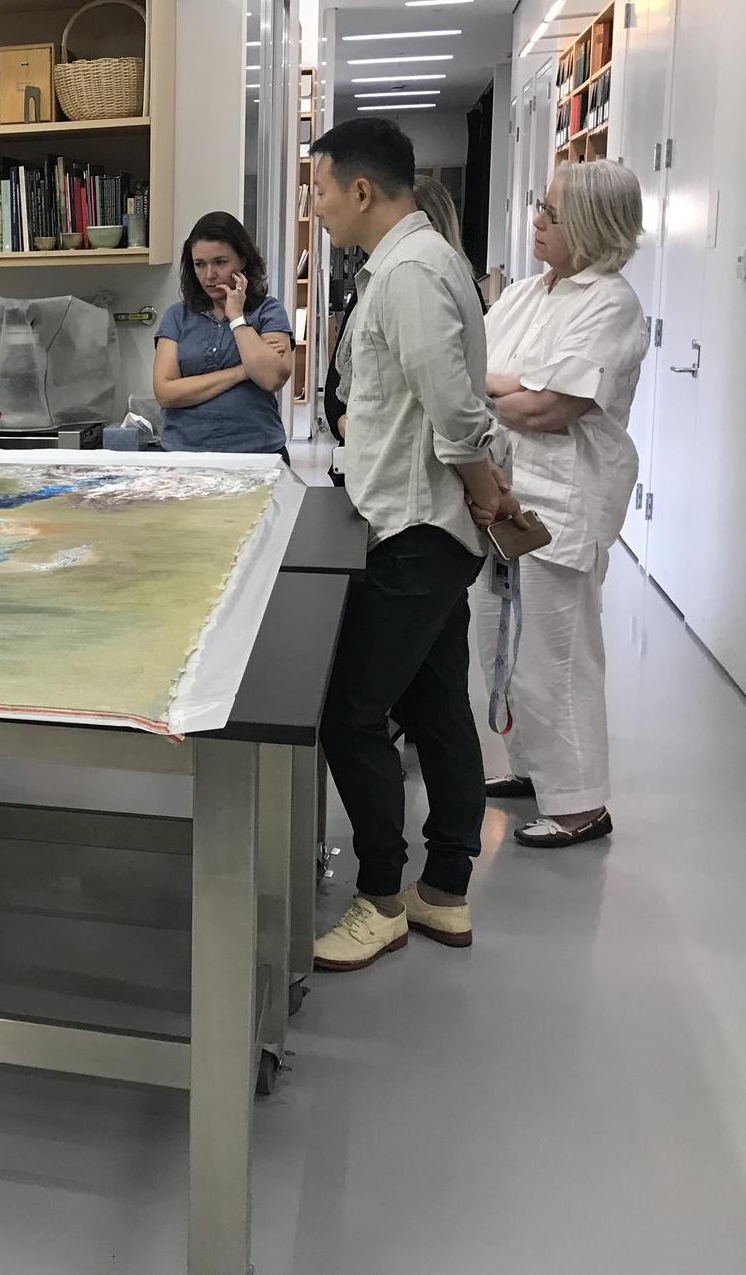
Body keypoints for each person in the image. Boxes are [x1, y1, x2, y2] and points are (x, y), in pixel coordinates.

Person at [304, 118, 519, 972]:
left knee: (350, 713)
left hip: (418, 531)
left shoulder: (413, 274)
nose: (315, 208)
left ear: (360, 191)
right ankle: (445, 891)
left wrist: (487, 491)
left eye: (319, 189)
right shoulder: (411, 265)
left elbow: (456, 412)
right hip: (419, 521)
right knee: (434, 710)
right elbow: (401, 395)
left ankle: (381, 895)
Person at [473, 160, 649, 848]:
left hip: (562, 501)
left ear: (594, 226)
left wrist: (504, 390)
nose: (537, 222)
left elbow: (551, 408)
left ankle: (581, 805)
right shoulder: (525, 294)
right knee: (501, 642)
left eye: (551, 212)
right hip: (503, 494)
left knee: (557, 652)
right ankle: (533, 771)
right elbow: (476, 375)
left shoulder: (609, 301)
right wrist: (507, 387)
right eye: (540, 208)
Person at [326, 176, 470, 481]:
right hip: (366, 465)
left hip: (414, 476)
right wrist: (357, 428)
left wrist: (482, 485)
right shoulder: (370, 285)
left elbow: (448, 405)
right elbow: (335, 398)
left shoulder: (419, 276)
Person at [152, 210, 295, 458]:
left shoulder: (268, 311)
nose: (209, 275)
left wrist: (237, 317)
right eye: (200, 264)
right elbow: (165, 393)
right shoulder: (177, 317)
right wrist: (243, 371)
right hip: (186, 454)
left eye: (220, 262)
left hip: (258, 452)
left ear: (241, 260)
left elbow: (271, 377)